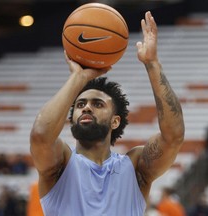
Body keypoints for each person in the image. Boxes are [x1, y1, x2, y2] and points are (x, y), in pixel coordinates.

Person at [30, 11, 185, 216]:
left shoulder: (135, 167)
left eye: (98, 104)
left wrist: (152, 64)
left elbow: (173, 136)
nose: (86, 107)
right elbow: (41, 135)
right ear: (72, 118)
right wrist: (78, 78)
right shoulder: (61, 164)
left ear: (115, 121)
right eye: (80, 104)